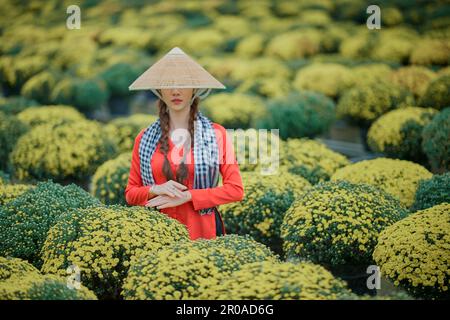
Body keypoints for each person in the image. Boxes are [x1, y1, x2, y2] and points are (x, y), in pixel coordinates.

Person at [124, 47, 244, 240]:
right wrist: (155, 189)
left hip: (202, 234)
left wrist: (189, 196)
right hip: (156, 233)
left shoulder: (216, 134)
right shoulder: (144, 138)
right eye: (169, 84)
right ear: (160, 90)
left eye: (183, 84)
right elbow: (131, 193)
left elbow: (235, 190)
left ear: (195, 89)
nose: (176, 90)